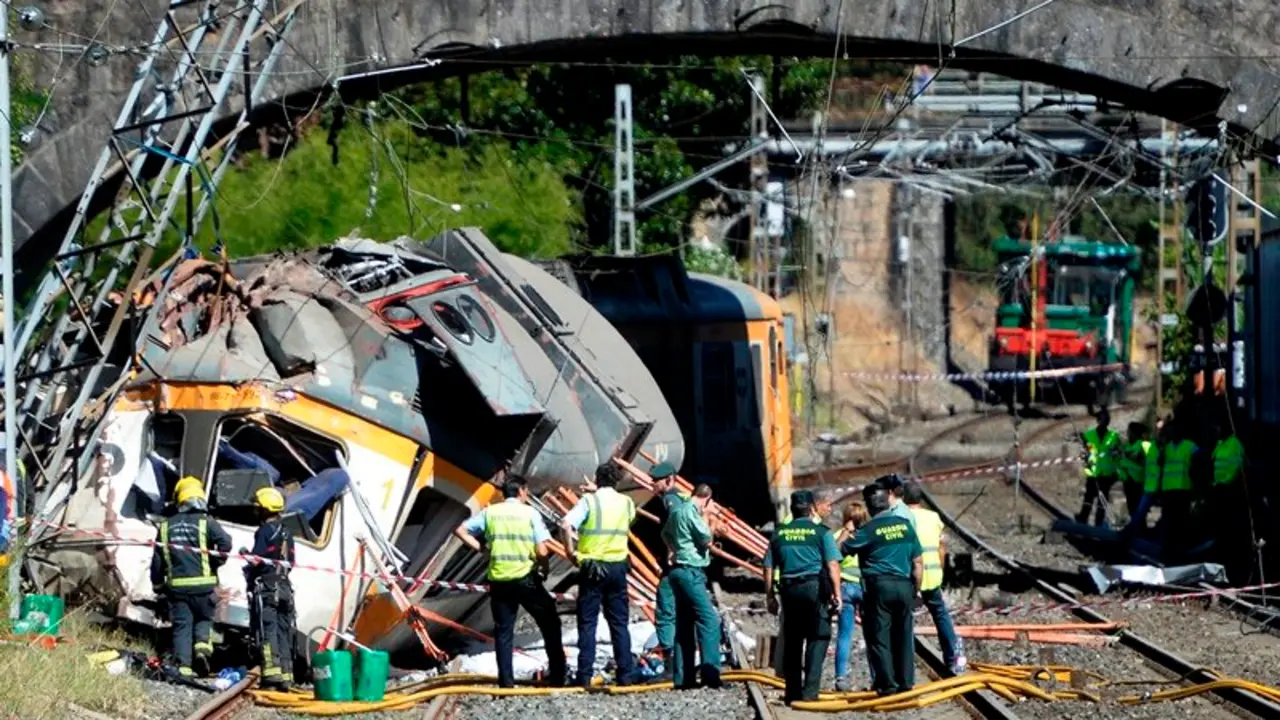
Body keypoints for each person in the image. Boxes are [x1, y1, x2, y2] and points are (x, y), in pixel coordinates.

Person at [454, 476, 566, 689]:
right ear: (522, 491)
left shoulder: (491, 513)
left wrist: (483, 550)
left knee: (504, 632)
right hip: (526, 579)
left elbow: (460, 530)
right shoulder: (529, 513)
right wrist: (544, 567)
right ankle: (558, 678)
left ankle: (506, 684)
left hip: (500, 581)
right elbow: (542, 549)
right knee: (550, 622)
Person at [841, 483, 922, 697]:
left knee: (879, 637)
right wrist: (916, 590)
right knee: (904, 635)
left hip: (878, 587)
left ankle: (887, 685)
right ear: (887, 501)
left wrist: (847, 531)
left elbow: (839, 552)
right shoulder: (905, 526)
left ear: (868, 506)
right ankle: (906, 682)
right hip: (904, 585)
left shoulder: (867, 530)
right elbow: (918, 563)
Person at [561, 462, 638, 686]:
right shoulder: (626, 502)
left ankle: (584, 676)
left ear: (597, 479)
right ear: (617, 481)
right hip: (617, 567)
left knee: (588, 623)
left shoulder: (589, 501)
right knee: (619, 623)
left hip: (592, 567)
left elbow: (566, 524)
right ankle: (625, 675)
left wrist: (571, 552)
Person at [763, 490, 841, 705]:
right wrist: (837, 594)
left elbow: (768, 568)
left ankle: (793, 692)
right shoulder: (821, 533)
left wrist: (770, 596)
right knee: (819, 636)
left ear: (792, 509)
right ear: (811, 509)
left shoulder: (779, 534)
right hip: (814, 589)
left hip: (789, 590)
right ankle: (810, 692)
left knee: (793, 640)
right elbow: (833, 565)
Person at [150, 476, 232, 678]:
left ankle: (183, 668)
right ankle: (202, 651)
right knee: (204, 619)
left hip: (177, 588)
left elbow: (158, 559)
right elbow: (226, 543)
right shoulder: (207, 523)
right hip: (204, 586)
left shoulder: (166, 526)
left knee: (182, 626)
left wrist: (158, 585)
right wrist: (215, 562)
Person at [661, 479, 723, 690]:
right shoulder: (691, 512)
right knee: (709, 620)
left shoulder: (678, 510)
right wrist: (709, 518)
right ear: (707, 499)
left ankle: (683, 678)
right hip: (691, 571)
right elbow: (706, 539)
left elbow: (665, 534)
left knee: (684, 624)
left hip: (677, 571)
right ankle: (711, 675)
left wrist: (673, 551)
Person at [901, 481, 966, 674]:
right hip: (933, 574)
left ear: (903, 498)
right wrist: (940, 569)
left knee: (906, 618)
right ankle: (952, 658)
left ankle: (906, 665)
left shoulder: (902, 517)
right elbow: (942, 547)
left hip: (912, 576)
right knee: (940, 614)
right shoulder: (934, 517)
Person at [244, 487, 296, 690]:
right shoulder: (287, 532)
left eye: (258, 507)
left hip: (267, 587)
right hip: (285, 588)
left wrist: (245, 555)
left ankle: (271, 676)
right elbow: (291, 562)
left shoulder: (264, 531)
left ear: (265, 509)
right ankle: (286, 676)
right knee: (284, 632)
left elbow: (257, 559)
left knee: (268, 631)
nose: (255, 510)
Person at [646, 462, 686, 677]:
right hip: (684, 564)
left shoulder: (670, 500)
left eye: (657, 480)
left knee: (665, 611)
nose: (653, 484)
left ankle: (671, 664)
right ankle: (682, 663)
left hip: (674, 565)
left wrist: (671, 551)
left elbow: (675, 527)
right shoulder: (680, 498)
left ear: (669, 479)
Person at [832, 501, 870, 692]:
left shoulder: (837, 535)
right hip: (865, 587)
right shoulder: (869, 535)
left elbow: (832, 558)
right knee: (872, 635)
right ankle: (877, 677)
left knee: (844, 635)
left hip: (845, 587)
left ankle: (840, 677)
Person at [1076, 407, 1122, 527]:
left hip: (1107, 474)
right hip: (1093, 473)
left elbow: (1119, 455)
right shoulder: (1089, 435)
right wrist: (1085, 453)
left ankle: (1099, 523)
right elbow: (1084, 454)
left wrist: (1116, 472)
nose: (1104, 422)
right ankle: (1083, 519)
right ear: (1098, 420)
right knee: (1088, 499)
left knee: (1102, 501)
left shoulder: (1114, 436)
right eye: (1102, 419)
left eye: (1106, 420)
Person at [1118, 422, 1152, 519]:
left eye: (1129, 432)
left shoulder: (1144, 444)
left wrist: (1127, 455)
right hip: (1128, 480)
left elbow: (1144, 460)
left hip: (1138, 481)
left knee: (1139, 509)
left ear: (1135, 433)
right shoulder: (1127, 446)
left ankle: (1140, 526)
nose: (1128, 434)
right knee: (1132, 509)